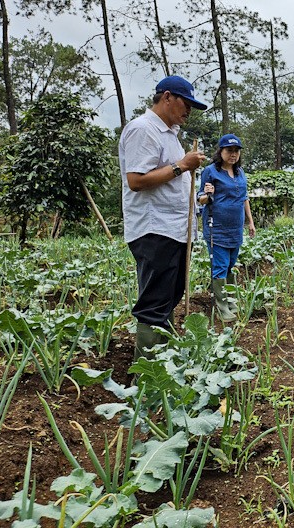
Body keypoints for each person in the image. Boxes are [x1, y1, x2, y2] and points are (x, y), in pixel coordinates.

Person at [119, 75, 208, 358]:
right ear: (167, 97)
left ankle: (163, 362)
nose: (189, 110)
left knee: (168, 298)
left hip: (174, 229)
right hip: (155, 229)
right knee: (155, 302)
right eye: (186, 103)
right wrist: (182, 165)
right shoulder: (143, 129)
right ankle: (147, 373)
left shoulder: (169, 135)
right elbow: (136, 180)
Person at [197, 134, 256, 322]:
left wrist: (250, 221)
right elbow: (200, 199)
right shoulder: (210, 171)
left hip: (235, 228)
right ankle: (222, 307)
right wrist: (208, 195)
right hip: (217, 227)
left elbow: (244, 198)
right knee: (220, 265)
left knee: (231, 264)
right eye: (229, 150)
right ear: (220, 151)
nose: (233, 154)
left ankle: (230, 301)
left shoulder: (240, 172)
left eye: (236, 151)